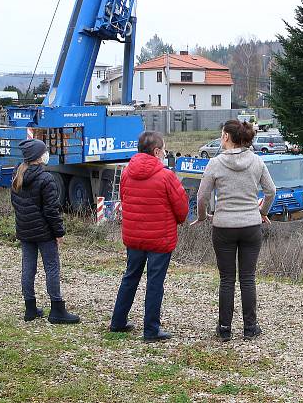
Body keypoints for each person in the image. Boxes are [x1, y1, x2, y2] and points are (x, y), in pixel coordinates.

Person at [192, 120, 276, 342]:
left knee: (227, 279)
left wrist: (202, 216)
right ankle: (250, 328)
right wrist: (262, 212)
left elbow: (202, 196)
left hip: (224, 227)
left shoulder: (215, 163)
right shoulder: (257, 162)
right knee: (248, 278)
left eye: (222, 135)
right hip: (250, 225)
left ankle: (224, 329)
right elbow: (271, 191)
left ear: (227, 137)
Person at [110, 131, 189, 341]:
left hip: (134, 234)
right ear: (156, 151)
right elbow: (181, 208)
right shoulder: (166, 176)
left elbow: (124, 198)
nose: (165, 152)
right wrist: (178, 221)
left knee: (130, 276)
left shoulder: (127, 172)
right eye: (163, 149)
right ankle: (151, 329)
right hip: (160, 237)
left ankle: (118, 321)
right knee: (155, 282)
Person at [11, 138, 79, 324]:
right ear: (39, 157)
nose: (46, 154)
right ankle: (57, 309)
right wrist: (59, 232)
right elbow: (51, 210)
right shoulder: (46, 178)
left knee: (28, 267)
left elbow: (16, 204)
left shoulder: (18, 175)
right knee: (52, 268)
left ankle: (30, 308)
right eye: (44, 152)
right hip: (44, 233)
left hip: (25, 231)